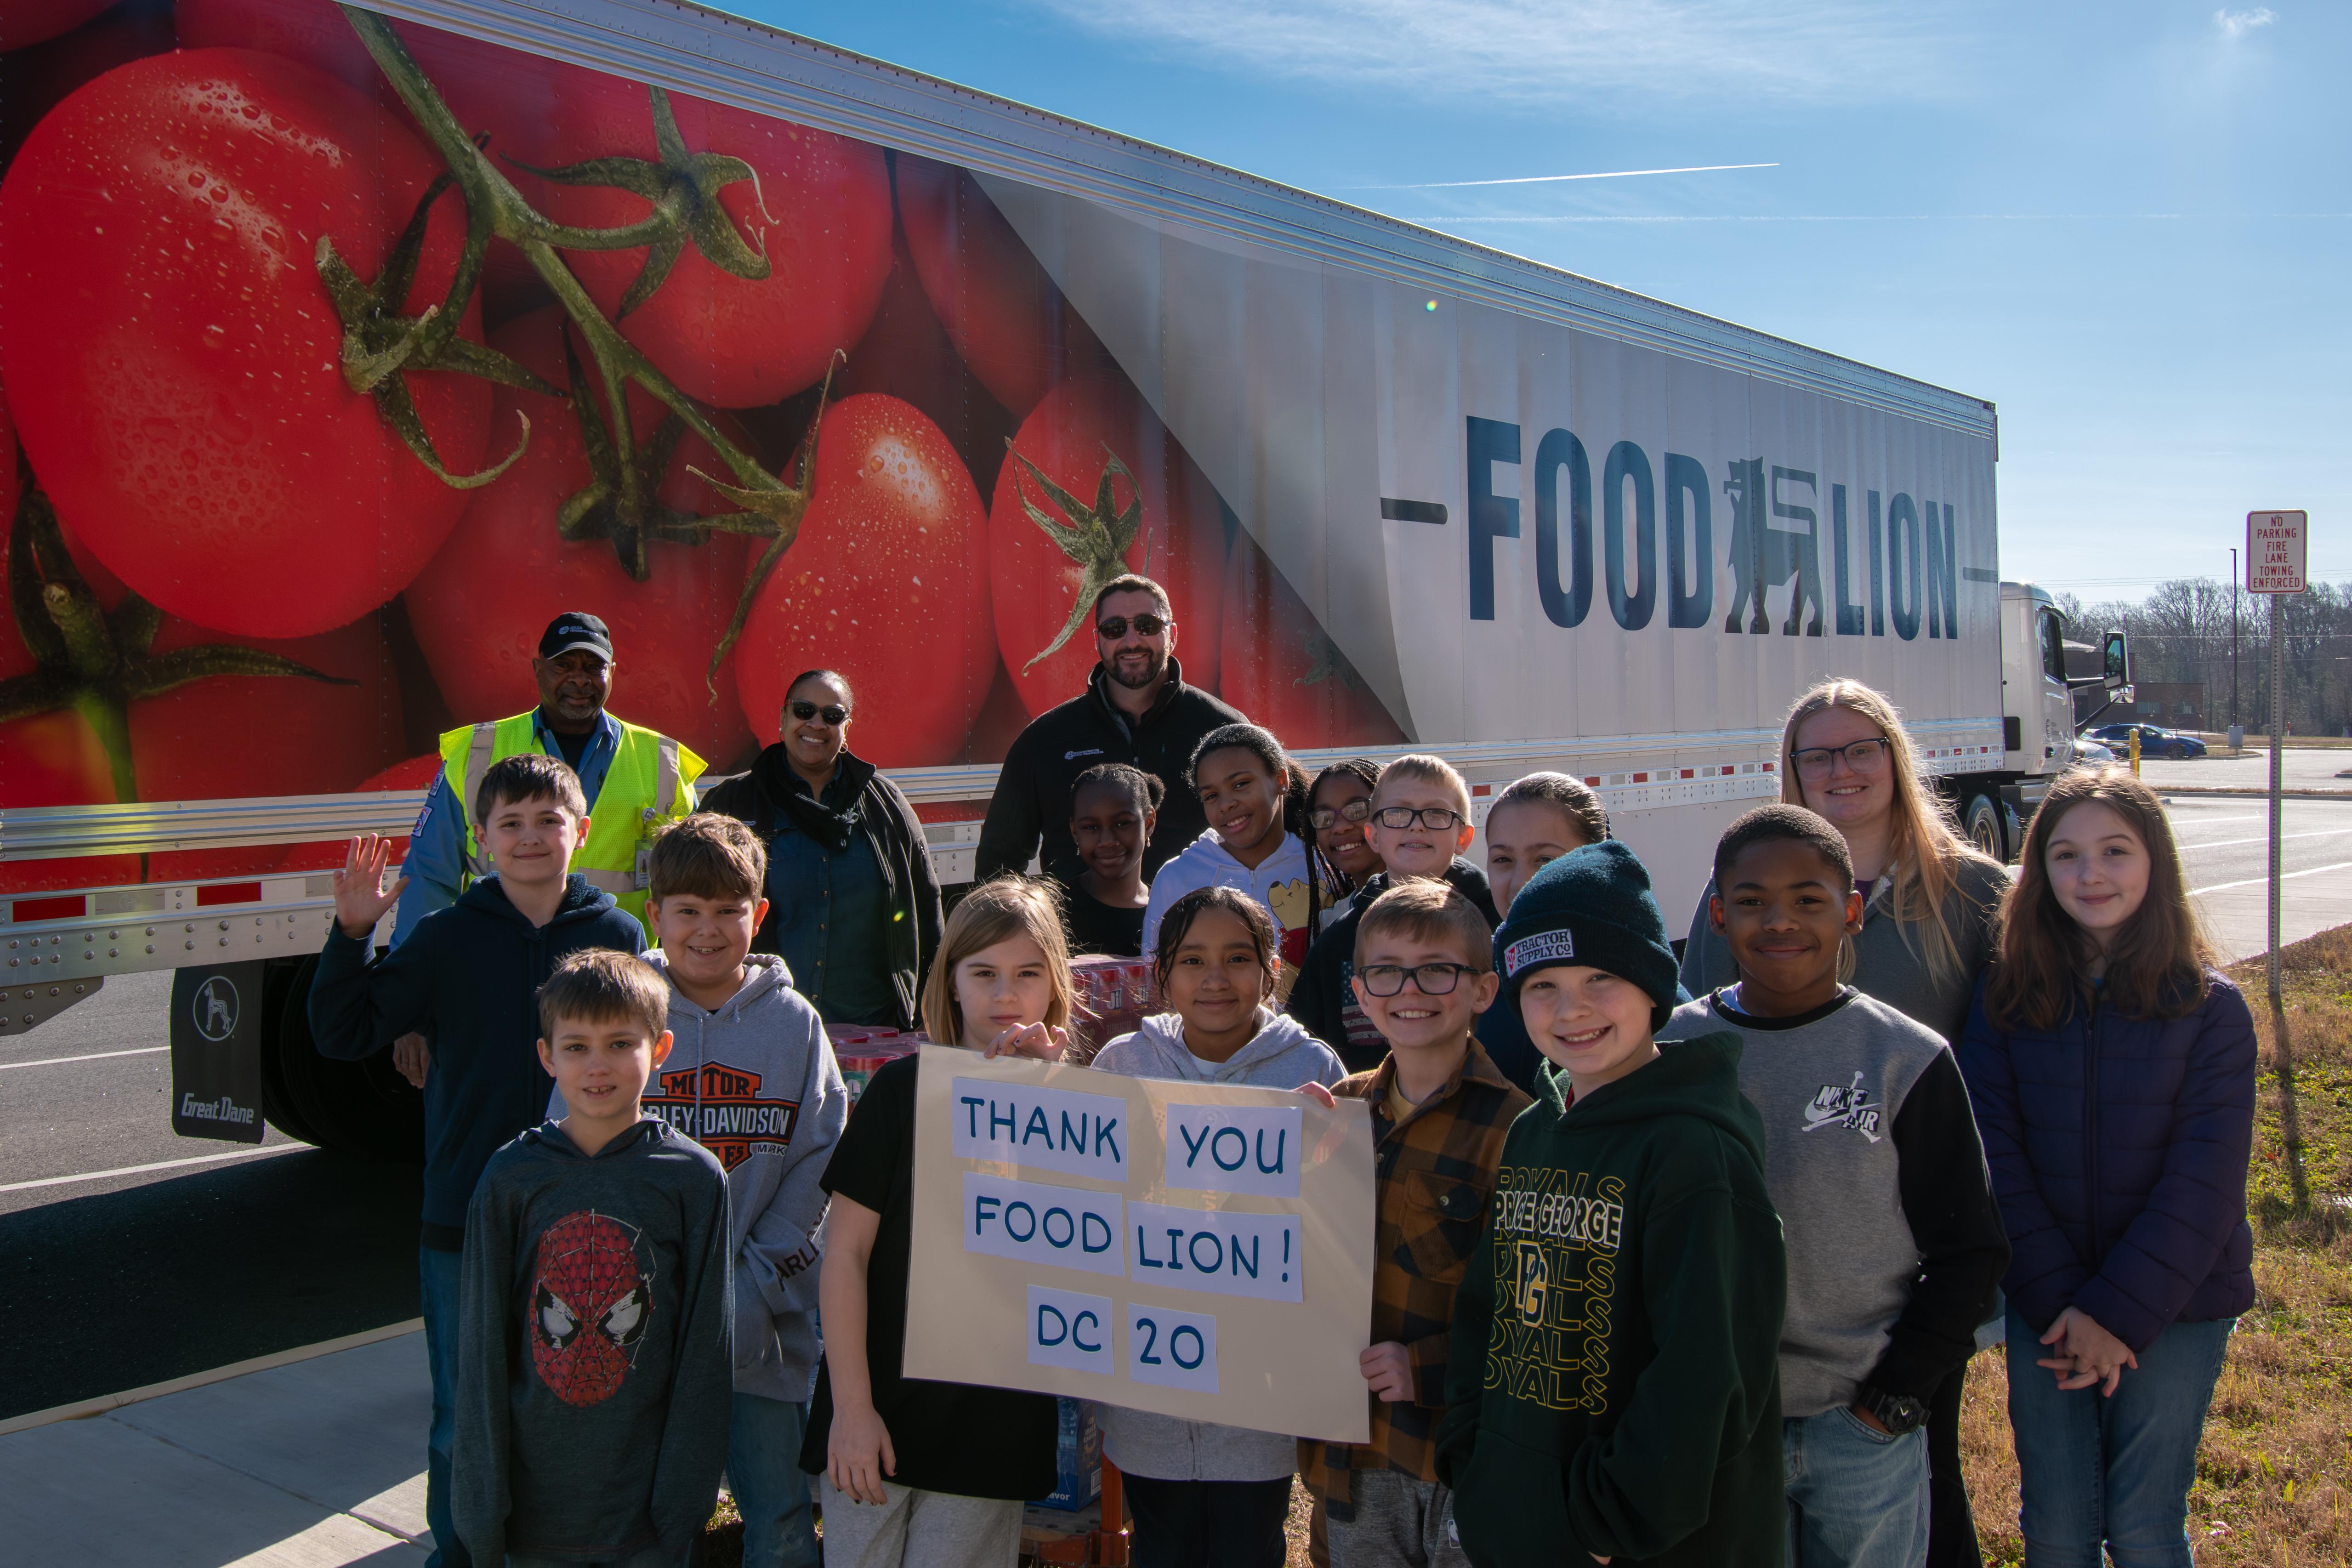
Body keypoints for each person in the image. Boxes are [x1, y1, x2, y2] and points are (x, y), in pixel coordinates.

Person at [1678, 678, 2009, 1567]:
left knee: (1918, 1480)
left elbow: (2011, 1059)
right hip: (1752, 1331)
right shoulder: (1747, 885)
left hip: (1899, 1248)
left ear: (1895, 758)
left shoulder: (1974, 892)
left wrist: (1903, 1380)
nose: (1839, 768)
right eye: (1814, 753)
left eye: (1859, 747)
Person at [310, 754, 647, 1568]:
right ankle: (460, 1554)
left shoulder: (617, 937)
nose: (531, 837)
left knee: (571, 1403)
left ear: (582, 830)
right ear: (482, 838)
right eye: (512, 823)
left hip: (585, 1216)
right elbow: (345, 1030)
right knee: (465, 1411)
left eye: (548, 820)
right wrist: (352, 935)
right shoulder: (447, 937)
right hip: (465, 1213)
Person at [1437, 841, 1784, 1568]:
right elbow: (1488, 1310)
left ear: (1654, 985)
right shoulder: (1535, 1129)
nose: (1574, 1010)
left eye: (1603, 977)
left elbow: (1705, 1371)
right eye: (1543, 986)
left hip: (1637, 1541)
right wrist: (1473, 1457)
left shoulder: (1693, 1150)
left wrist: (1608, 1524)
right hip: (1520, 1510)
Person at [1957, 767, 2255, 1568]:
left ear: (2154, 861)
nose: (2089, 874)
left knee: (2144, 1524)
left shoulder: (2210, 1009)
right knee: (2052, 1526)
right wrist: (2063, 1305)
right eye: (2063, 855)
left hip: (2177, 1302)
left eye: (2114, 851)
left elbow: (2205, 1184)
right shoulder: (2004, 996)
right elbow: (1994, 1158)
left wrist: (2115, 1315)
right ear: (2037, 871)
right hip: (2045, 1301)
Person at [557, 815, 847, 1568]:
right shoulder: (617, 1017)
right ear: (655, 915)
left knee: (779, 1519)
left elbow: (821, 1163)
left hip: (762, 1330)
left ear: (759, 914)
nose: (709, 930)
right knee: (651, 1519)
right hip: (639, 1331)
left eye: (728, 911)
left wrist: (752, 1282)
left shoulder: (794, 1025)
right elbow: (577, 1155)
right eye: (688, 909)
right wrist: (633, 1287)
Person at [803, 877, 1074, 1568]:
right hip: (878, 1404)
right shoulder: (900, 1093)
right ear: (950, 982)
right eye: (982, 973)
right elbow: (844, 1258)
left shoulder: (1079, 1112)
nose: (1004, 994)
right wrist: (852, 1411)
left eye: (1026, 974)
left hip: (991, 1418)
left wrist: (1046, 1102)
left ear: (1054, 986)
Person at [454, 949, 734, 1568]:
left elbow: (704, 1357)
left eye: (619, 1044)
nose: (597, 1066)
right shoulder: (510, 1178)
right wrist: (480, 1516)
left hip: (645, 1519)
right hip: (531, 1516)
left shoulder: (692, 1179)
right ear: (547, 1055)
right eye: (576, 1047)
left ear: (660, 1049)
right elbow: (480, 1354)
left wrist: (680, 1509)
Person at [1091, 886, 1345, 1567]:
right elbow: (1084, 1207)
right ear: (1160, 975)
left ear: (1271, 971)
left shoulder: (1314, 1069)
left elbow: (1337, 1227)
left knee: (1248, 1545)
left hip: (1257, 1396)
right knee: (1162, 1546)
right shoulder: (1119, 1066)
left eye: (1237, 957)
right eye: (1192, 959)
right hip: (1148, 1389)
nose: (1214, 978)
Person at [1295, 881, 1530, 1568]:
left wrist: (1427, 1366)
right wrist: (1279, 1165)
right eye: (1386, 972)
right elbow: (1287, 1259)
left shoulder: (1519, 1130)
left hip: (1459, 1453)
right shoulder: (1335, 1111)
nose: (1411, 989)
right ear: (1361, 993)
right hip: (1354, 1449)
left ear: (1483, 990)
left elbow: (1532, 1312)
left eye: (1437, 970)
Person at [390, 611, 705, 1086]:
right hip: (491, 989)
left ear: (612, 673)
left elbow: (693, 892)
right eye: (564, 666)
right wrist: (412, 1007)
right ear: (538, 670)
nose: (578, 680)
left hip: (616, 1002)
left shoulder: (662, 762)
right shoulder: (479, 751)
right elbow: (429, 879)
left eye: (592, 667)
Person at [701, 669, 943, 1029]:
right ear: (783, 717)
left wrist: (932, 1011)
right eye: (804, 711)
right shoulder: (732, 802)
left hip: (872, 1032)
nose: (816, 724)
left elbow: (926, 906)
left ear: (846, 729)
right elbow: (693, 911)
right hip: (762, 1027)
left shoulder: (886, 804)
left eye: (832, 716)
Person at [975, 574, 1246, 886]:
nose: (1131, 641)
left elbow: (1268, 837)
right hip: (1079, 935)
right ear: (1098, 640)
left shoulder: (1224, 730)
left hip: (1198, 932)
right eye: (1115, 629)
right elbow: (997, 863)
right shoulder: (1045, 740)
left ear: (1172, 635)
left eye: (1147, 625)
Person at [1288, 755, 1500, 1074]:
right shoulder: (1338, 942)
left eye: (1437, 813)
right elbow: (1302, 1043)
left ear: (1463, 838)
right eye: (1398, 813)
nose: (1417, 824)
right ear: (1373, 836)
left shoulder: (1494, 927)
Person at [1141, 724, 1328, 979]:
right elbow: (1156, 980)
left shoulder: (1324, 867)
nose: (1226, 804)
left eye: (1240, 784)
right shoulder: (1177, 877)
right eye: (1211, 796)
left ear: (1280, 780)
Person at [1474, 774, 1611, 1093]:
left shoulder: (1640, 978)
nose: (1522, 881)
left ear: (1597, 860)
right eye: (1503, 860)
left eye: (1546, 859)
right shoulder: (1470, 978)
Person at [1063, 762, 1162, 957]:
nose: (1107, 841)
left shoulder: (1169, 912)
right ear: (1075, 831)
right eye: (1091, 827)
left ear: (1149, 822)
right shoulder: (1050, 912)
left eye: (1123, 824)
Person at [1308, 760, 1385, 925]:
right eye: (1324, 817)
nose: (1340, 827)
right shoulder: (1330, 924)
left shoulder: (1441, 901)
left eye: (1357, 810)